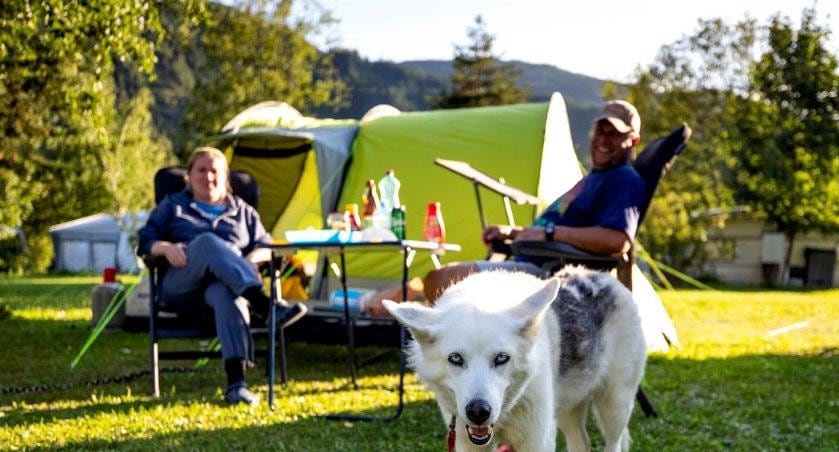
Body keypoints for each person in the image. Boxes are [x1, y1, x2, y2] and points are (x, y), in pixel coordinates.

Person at [364, 100, 645, 315]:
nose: (603, 140)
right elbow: (555, 228)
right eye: (600, 131)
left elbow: (617, 241)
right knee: (434, 282)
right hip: (530, 259)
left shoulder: (623, 180)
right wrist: (514, 233)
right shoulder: (594, 179)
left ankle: (400, 310)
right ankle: (396, 307)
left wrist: (549, 235)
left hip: (547, 275)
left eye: (614, 134)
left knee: (441, 279)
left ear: (632, 140)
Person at [138, 147, 307, 406]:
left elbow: (266, 245)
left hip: (227, 286)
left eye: (214, 171)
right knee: (207, 242)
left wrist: (253, 258)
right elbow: (145, 240)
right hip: (182, 284)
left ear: (225, 177)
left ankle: (236, 384)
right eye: (201, 170)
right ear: (189, 176)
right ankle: (265, 306)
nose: (208, 177)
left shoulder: (244, 212)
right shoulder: (173, 206)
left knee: (225, 292)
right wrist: (167, 248)